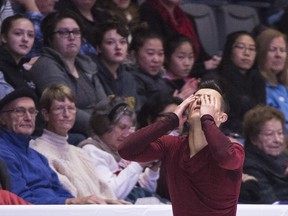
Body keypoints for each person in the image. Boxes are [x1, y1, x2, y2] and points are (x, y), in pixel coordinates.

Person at [118, 80, 245, 216]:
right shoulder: (171, 145)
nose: (202, 103)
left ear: (222, 117)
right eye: (197, 99)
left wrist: (207, 119)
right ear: (187, 113)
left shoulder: (234, 149)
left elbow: (225, 158)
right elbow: (126, 150)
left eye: (209, 101)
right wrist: (170, 120)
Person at [0, 88, 105, 204]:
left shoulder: (38, 157)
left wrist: (72, 202)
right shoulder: (3, 152)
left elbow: (62, 192)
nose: (28, 117)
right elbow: (19, 201)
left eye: (32, 111)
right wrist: (69, 202)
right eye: (19, 111)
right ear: (2, 118)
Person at [30, 84, 127, 204]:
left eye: (71, 108)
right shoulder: (38, 152)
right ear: (45, 114)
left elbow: (103, 190)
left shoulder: (80, 153)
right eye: (59, 108)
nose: (66, 114)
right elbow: (67, 194)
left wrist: (112, 203)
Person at [30, 10, 106, 136]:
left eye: (76, 32)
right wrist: (104, 130)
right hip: (69, 134)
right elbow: (64, 111)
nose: (72, 37)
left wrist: (114, 124)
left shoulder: (86, 64)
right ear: (50, 38)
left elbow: (104, 105)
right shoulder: (46, 65)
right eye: (64, 32)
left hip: (98, 131)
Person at [78, 96, 161, 203]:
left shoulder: (119, 150)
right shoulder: (92, 151)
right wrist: (139, 164)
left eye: (130, 128)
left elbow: (145, 190)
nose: (127, 135)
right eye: (122, 128)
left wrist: (152, 171)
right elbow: (111, 194)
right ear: (104, 126)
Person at [206, 31, 266, 137]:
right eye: (240, 47)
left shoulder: (257, 80)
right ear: (230, 50)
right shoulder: (214, 79)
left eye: (252, 49)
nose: (247, 53)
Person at [139, 0, 221, 78]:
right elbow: (162, 59)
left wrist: (214, 61)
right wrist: (203, 66)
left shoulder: (187, 18)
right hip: (167, 75)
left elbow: (200, 54)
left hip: (192, 70)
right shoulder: (148, 12)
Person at [243, 105, 288, 204]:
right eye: (269, 134)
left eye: (280, 133)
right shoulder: (250, 166)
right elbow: (272, 205)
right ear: (254, 138)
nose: (277, 140)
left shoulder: (283, 156)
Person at [93, 20, 137, 109]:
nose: (118, 47)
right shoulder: (92, 75)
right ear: (99, 48)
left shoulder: (128, 77)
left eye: (122, 42)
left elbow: (134, 110)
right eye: (110, 42)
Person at [129, 25, 172, 110]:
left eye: (160, 54)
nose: (156, 60)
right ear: (134, 54)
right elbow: (142, 112)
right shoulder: (132, 80)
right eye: (150, 53)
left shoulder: (161, 79)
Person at [256, 28, 288, 132]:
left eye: (282, 50)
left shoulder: (284, 85)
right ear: (261, 54)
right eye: (272, 49)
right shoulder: (258, 86)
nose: (278, 55)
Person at [0, 14, 35, 99]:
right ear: (4, 37)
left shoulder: (25, 71)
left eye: (30, 35)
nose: (25, 39)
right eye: (18, 33)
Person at [163, 36, 199, 100]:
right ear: (167, 58)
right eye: (180, 57)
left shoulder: (191, 82)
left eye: (190, 57)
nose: (187, 63)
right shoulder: (163, 84)